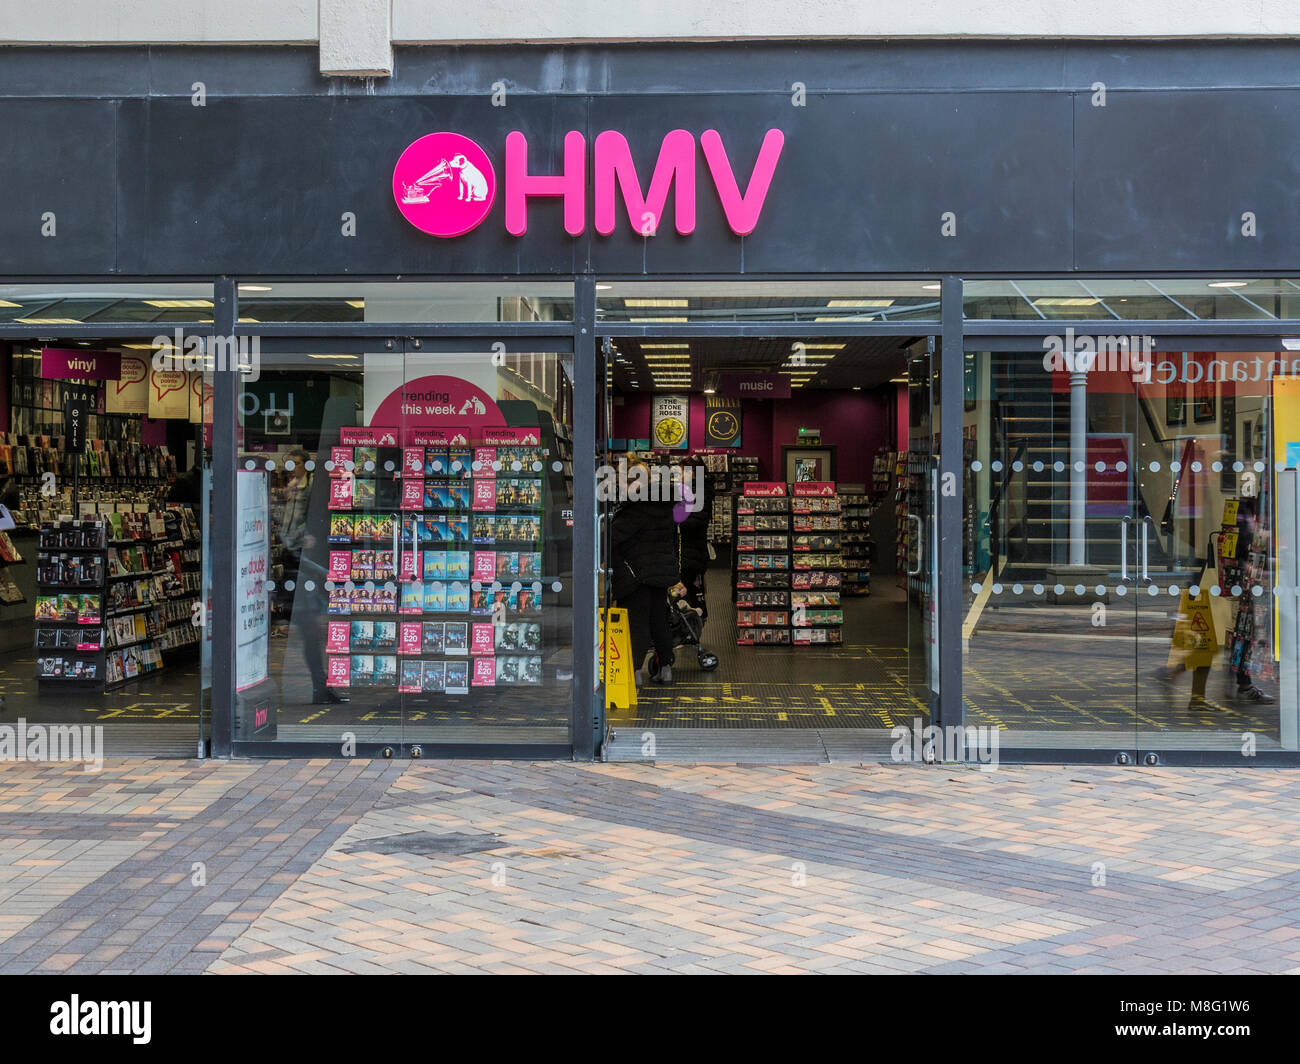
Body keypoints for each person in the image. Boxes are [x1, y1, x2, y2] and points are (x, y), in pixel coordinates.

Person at [610, 457, 682, 685]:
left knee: (635, 625)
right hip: (659, 574)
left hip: (635, 576)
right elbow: (671, 540)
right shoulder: (663, 505)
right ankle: (666, 666)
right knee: (659, 620)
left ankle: (633, 673)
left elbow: (610, 538)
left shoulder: (635, 509)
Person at [676, 456, 713, 619]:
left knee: (686, 592)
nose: (679, 475)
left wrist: (675, 523)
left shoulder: (699, 492)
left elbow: (698, 520)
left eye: (682, 471)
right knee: (686, 591)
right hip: (688, 550)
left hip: (691, 551)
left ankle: (689, 630)